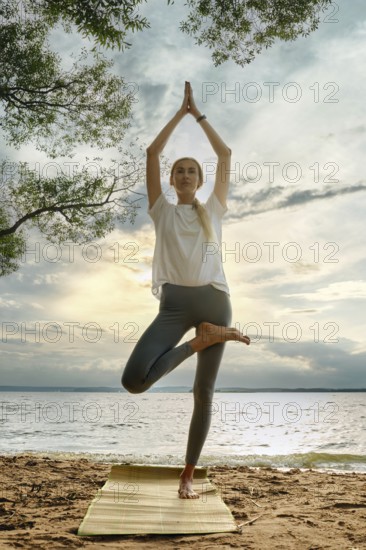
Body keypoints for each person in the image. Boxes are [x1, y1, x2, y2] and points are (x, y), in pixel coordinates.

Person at [121, 81, 250, 499]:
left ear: (199, 179)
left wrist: (200, 115)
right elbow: (152, 154)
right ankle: (203, 342)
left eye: (192, 170)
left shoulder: (213, 209)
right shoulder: (161, 210)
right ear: (172, 179)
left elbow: (226, 155)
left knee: (203, 392)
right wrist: (179, 113)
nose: (185, 175)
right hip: (174, 306)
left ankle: (188, 474)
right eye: (180, 170)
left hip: (215, 299)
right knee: (134, 380)